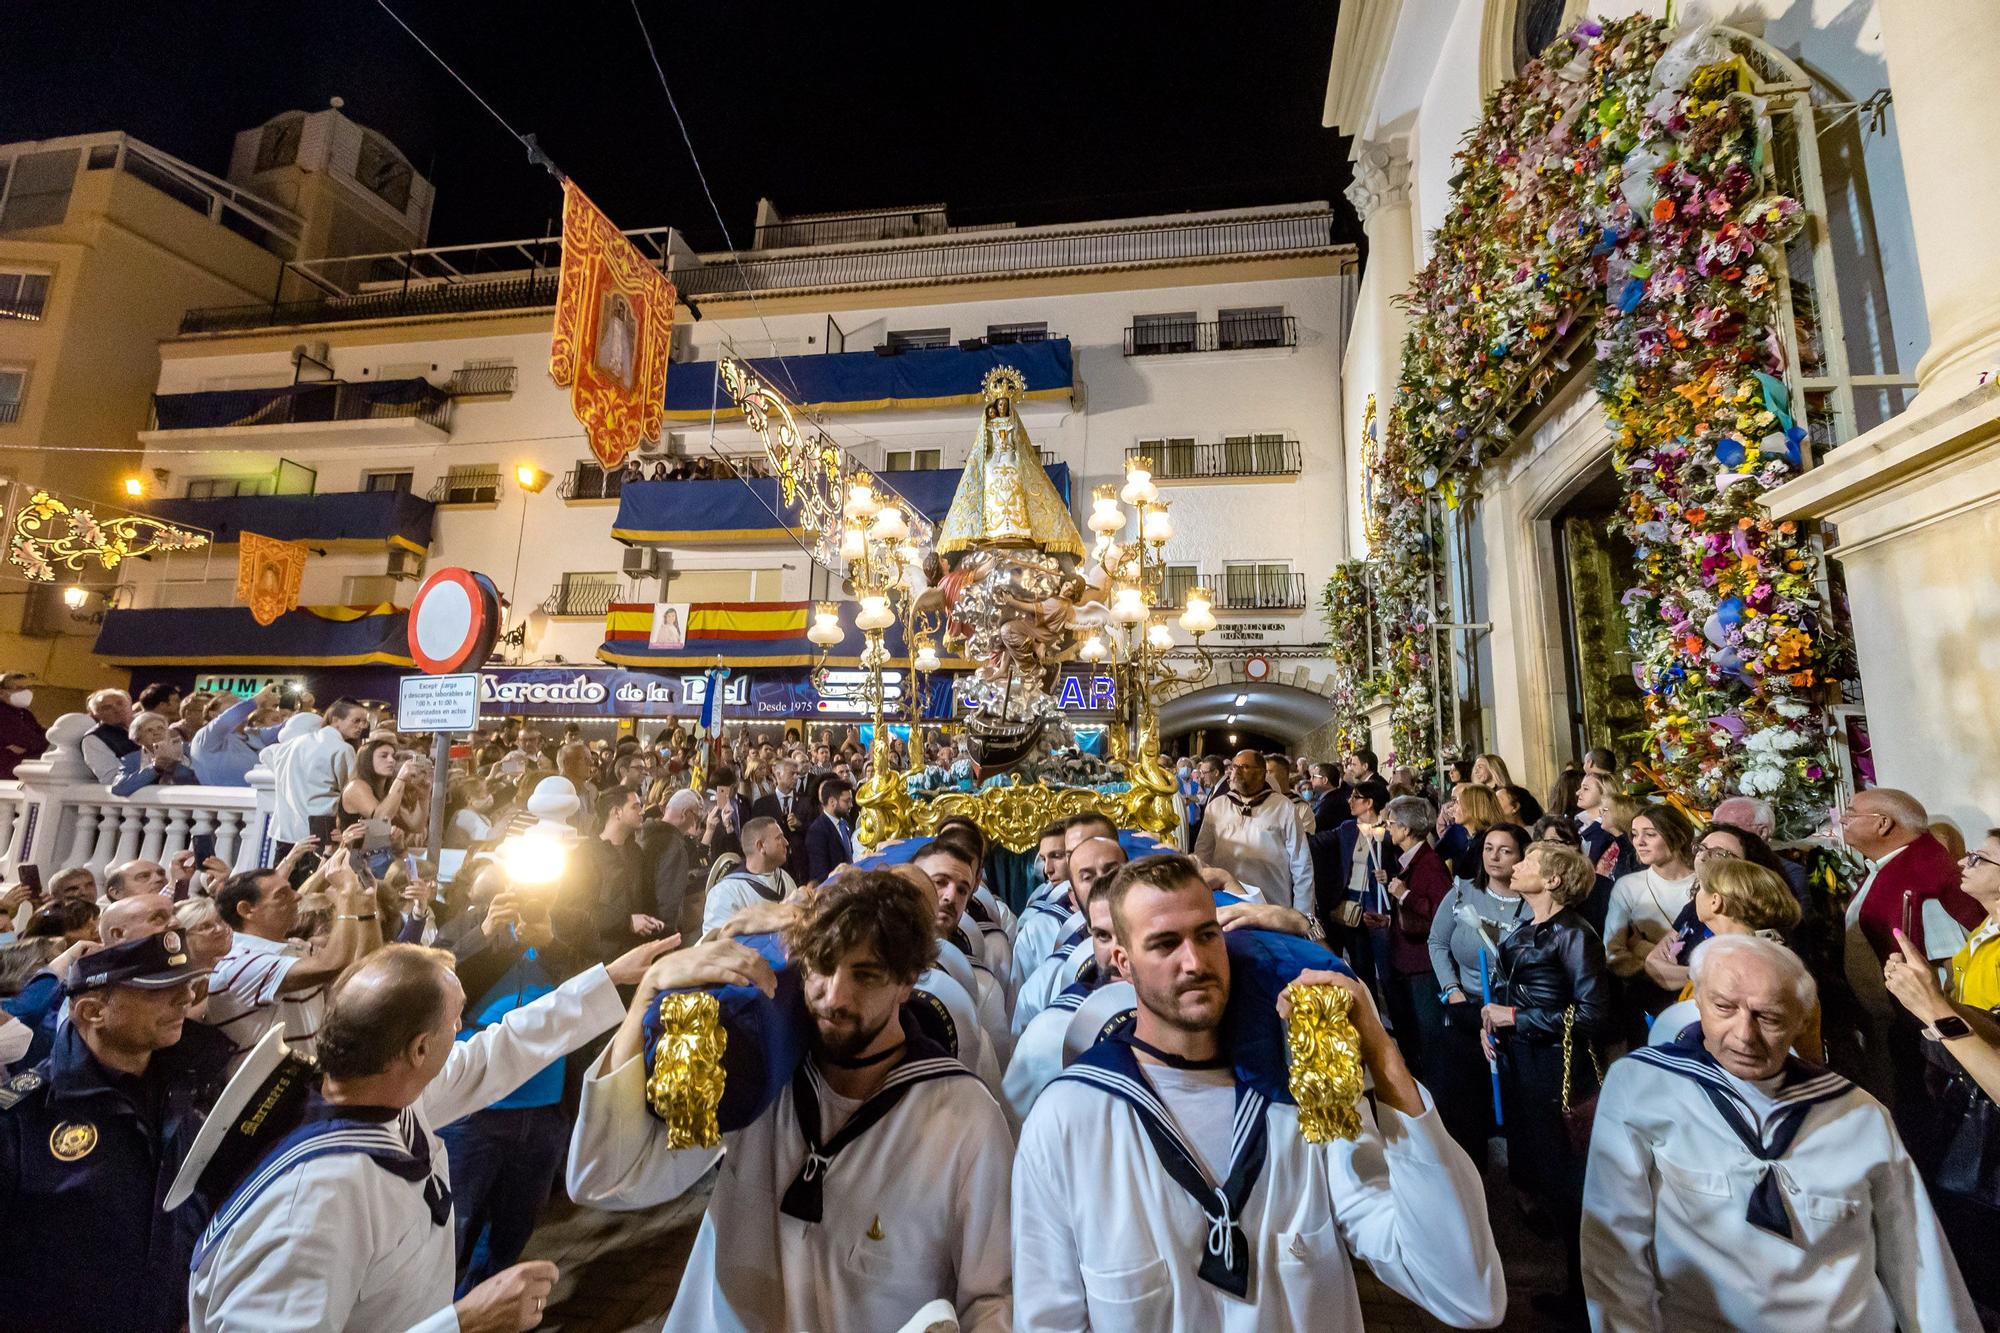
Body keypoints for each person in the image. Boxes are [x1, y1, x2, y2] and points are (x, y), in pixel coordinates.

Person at [1011, 852, 1505, 1330]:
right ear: (1121, 961)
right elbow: (1050, 1319)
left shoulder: (1303, 1094)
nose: (1194, 961)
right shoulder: (1069, 1119)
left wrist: (1380, 1050)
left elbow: (1465, 1294)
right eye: (1165, 944)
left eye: (1207, 935)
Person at [568, 870, 1015, 1331]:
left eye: (866, 974)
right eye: (821, 965)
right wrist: (648, 995)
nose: (833, 997)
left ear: (908, 981)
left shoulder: (965, 1119)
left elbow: (991, 1297)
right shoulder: (757, 1072)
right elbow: (603, 1179)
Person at [188, 936, 666, 1333]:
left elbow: (499, 1048)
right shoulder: (314, 1200)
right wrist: (465, 1322)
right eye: (455, 1021)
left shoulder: (382, 1092)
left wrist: (609, 979)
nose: (463, 1031)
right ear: (419, 1048)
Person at [1582, 934, 1976, 1331]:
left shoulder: (1858, 1114)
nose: (1743, 1035)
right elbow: (1614, 1245)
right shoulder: (1644, 1086)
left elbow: (1913, 1253)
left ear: (1802, 1020)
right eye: (1723, 1008)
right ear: (1696, 1000)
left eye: (1767, 1017)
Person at [0, 930, 232, 1333]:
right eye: (157, 991)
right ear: (93, 1012)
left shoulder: (189, 1089)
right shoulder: (23, 1116)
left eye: (184, 985)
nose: (186, 999)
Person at [1481, 840, 1610, 1317]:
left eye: (1529, 861)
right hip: (1523, 1065)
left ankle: (1585, 1298)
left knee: (1568, 1183)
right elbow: (1510, 989)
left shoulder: (1574, 934)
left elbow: (1593, 1012)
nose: (1517, 864)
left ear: (1553, 881)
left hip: (1559, 1068)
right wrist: (1490, 1021)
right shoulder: (1526, 924)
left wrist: (1516, 1017)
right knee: (1544, 1176)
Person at [1839, 787, 1984, 1111]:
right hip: (1899, 1023)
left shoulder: (1923, 878)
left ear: (1883, 824)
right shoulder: (1891, 867)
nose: (1842, 820)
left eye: (1851, 813)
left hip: (1923, 1031)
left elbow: (1950, 965)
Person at [204, 856, 382, 1066]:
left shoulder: (295, 948)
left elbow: (360, 975)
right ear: (246, 910)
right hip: (265, 1095)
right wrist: (345, 896)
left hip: (300, 1086)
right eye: (282, 895)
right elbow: (333, 964)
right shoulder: (240, 963)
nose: (297, 896)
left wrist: (365, 906)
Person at [1429, 823, 1532, 1159]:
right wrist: (1452, 990)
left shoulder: (1534, 902)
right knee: (1465, 1104)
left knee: (1517, 1102)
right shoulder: (1463, 892)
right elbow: (1438, 942)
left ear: (1521, 856)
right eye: (1489, 848)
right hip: (1468, 1008)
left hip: (1513, 1013)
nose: (1495, 857)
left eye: (1505, 850)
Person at [1603, 804, 1699, 1034]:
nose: (1639, 842)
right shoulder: (1628, 886)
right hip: (1650, 1001)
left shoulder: (1704, 883)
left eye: (1650, 834)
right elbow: (1613, 952)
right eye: (1635, 835)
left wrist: (1642, 947)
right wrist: (1655, 969)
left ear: (1677, 835)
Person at [1378, 793, 1452, 1076]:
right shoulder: (1410, 860)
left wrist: (1404, 894)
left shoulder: (1429, 863)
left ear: (1406, 830)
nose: (1388, 827)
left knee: (1429, 1030)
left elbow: (1441, 912)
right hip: (1409, 960)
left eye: (1392, 823)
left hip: (1422, 963)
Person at [1192, 749, 1316, 916]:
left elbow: (1301, 864)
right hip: (1224, 903)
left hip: (1271, 905)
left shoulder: (1283, 807)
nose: (1235, 772)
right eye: (1234, 767)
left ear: (1261, 773)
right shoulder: (1217, 806)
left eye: (1244, 767)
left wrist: (1303, 916)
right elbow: (1202, 853)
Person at [271, 699, 370, 855]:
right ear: (336, 720)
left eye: (365, 722)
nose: (362, 726)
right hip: (321, 835)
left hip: (285, 833)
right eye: (356, 720)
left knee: (285, 877)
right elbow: (352, 792)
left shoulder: (294, 743)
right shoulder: (343, 749)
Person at [584, 785, 668, 960]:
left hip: (636, 952)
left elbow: (644, 898)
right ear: (617, 812)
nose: (642, 811)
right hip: (602, 959)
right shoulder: (585, 855)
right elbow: (579, 911)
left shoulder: (635, 852)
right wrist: (627, 922)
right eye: (635, 806)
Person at [702, 815, 798, 934]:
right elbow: (717, 947)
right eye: (779, 838)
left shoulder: (784, 878)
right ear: (761, 846)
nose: (786, 842)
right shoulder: (725, 893)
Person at [189, 686, 282, 787]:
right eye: (230, 701)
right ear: (213, 714)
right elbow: (228, 718)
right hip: (227, 800)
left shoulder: (253, 735)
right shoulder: (206, 737)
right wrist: (257, 700)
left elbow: (288, 728)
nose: (239, 702)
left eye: (239, 701)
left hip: (261, 797)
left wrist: (300, 707)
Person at [750, 756, 813, 884]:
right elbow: (755, 834)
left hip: (799, 868)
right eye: (792, 774)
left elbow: (814, 831)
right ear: (778, 775)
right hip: (771, 868)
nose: (796, 777)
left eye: (797, 774)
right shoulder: (761, 804)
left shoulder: (806, 802)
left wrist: (800, 825)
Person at [111, 711, 202, 796]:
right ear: (138, 739)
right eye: (149, 730)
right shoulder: (130, 760)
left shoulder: (189, 749)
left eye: (161, 728)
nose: (156, 733)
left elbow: (203, 779)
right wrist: (154, 768)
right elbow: (118, 789)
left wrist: (175, 766)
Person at [79, 687, 138, 783]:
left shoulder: (148, 724)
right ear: (96, 714)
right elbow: (111, 778)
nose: (117, 709)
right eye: (107, 707)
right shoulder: (94, 739)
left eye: (120, 703)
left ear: (130, 704)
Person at [805, 775, 857, 882]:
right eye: (847, 801)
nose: (851, 805)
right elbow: (820, 873)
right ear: (832, 802)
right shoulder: (817, 831)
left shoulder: (845, 822)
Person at [0, 671, 46, 780]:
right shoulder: (3, 713)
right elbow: (29, 740)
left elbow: (43, 737)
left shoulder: (24, 713)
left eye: (27, 688)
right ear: (2, 693)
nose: (25, 692)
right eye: (18, 688)